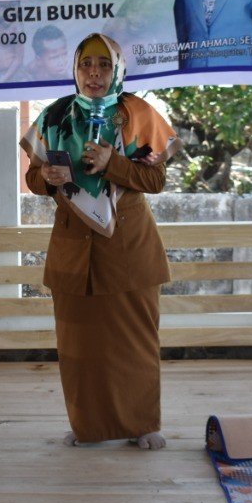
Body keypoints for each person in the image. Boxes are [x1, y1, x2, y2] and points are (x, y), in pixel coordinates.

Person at [19, 34, 180, 449]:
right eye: (85, 64)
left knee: (133, 340)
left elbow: (155, 179)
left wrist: (114, 164)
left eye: (103, 65)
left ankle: (142, 425)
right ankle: (89, 427)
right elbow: (33, 178)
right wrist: (48, 180)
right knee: (79, 344)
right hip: (73, 246)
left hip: (129, 246)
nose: (94, 73)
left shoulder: (139, 114)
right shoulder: (55, 116)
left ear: (118, 69)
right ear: (74, 69)